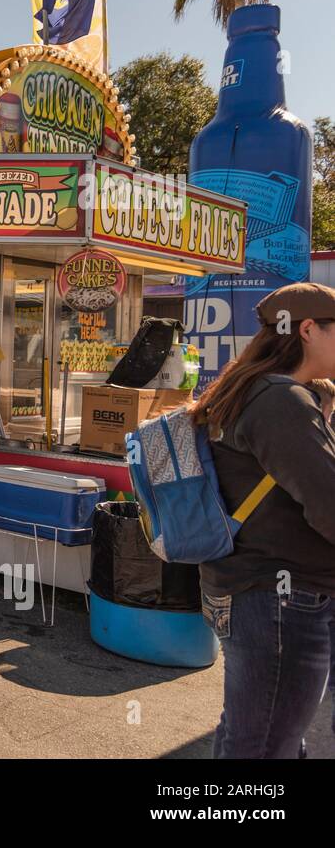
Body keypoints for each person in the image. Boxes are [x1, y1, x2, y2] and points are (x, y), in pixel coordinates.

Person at [192, 283, 335, 759]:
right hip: (279, 600)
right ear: (309, 330)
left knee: (250, 734)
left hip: (251, 589)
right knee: (265, 743)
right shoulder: (281, 401)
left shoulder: (251, 388)